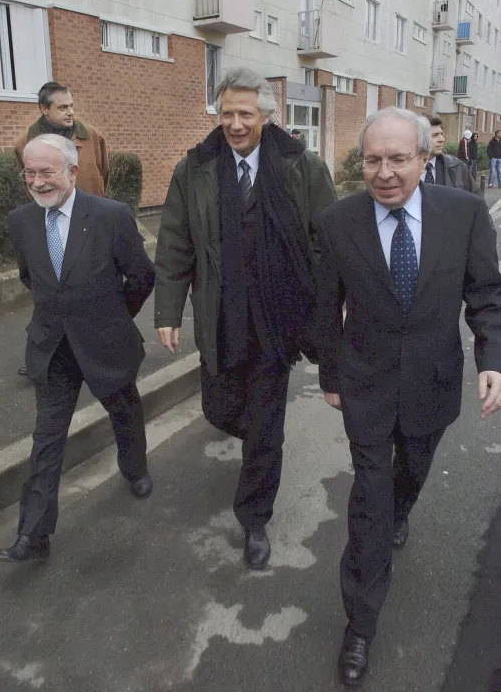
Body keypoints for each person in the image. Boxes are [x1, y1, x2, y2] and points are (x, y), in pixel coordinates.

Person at [316, 107, 501, 686]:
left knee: (411, 472)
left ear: (425, 157)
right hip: (365, 383)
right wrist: (330, 375)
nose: (385, 172)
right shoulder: (338, 221)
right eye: (373, 160)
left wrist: (492, 360)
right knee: (369, 501)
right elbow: (325, 305)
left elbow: (486, 294)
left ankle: (401, 509)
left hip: (433, 380)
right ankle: (361, 623)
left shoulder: (464, 214)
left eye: (398, 159)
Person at [155, 67, 336, 570]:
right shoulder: (194, 168)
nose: (235, 124)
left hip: (277, 318)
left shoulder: (302, 166)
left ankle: (255, 518)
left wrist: (329, 305)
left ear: (266, 117)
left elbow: (327, 240)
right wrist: (168, 310)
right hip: (220, 314)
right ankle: (255, 433)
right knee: (218, 409)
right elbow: (175, 243)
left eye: (245, 115)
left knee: (265, 422)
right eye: (227, 113)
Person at [0, 135, 155, 564]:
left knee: (124, 411)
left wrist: (113, 316)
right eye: (30, 173)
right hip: (53, 348)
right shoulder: (21, 221)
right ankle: (33, 534)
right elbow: (31, 277)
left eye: (46, 172)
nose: (37, 182)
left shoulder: (110, 216)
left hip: (106, 342)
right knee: (47, 438)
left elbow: (142, 276)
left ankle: (135, 469)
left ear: (72, 171)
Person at [16, 82, 110, 377]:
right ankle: (44, 356)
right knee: (50, 296)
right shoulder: (25, 143)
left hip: (90, 226)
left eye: (72, 105)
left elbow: (103, 173)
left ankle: (100, 350)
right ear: (44, 110)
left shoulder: (91, 135)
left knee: (98, 290)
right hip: (52, 227)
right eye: (62, 107)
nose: (70, 112)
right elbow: (31, 184)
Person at [426, 117, 479, 193]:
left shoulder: (457, 166)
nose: (442, 139)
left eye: (441, 134)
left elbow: (476, 196)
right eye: (435, 135)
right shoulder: (408, 168)